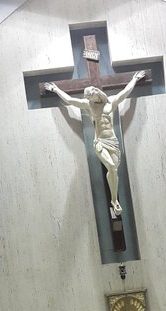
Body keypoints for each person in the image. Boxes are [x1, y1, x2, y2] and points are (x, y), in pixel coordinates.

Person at [44, 71, 145, 216]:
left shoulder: (110, 102)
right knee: (111, 166)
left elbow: (125, 92)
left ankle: (113, 199)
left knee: (113, 171)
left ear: (96, 93)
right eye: (89, 97)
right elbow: (70, 100)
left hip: (113, 142)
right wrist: (56, 89)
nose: (91, 98)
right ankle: (115, 200)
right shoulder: (88, 105)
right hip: (100, 142)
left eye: (91, 95)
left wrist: (134, 79)